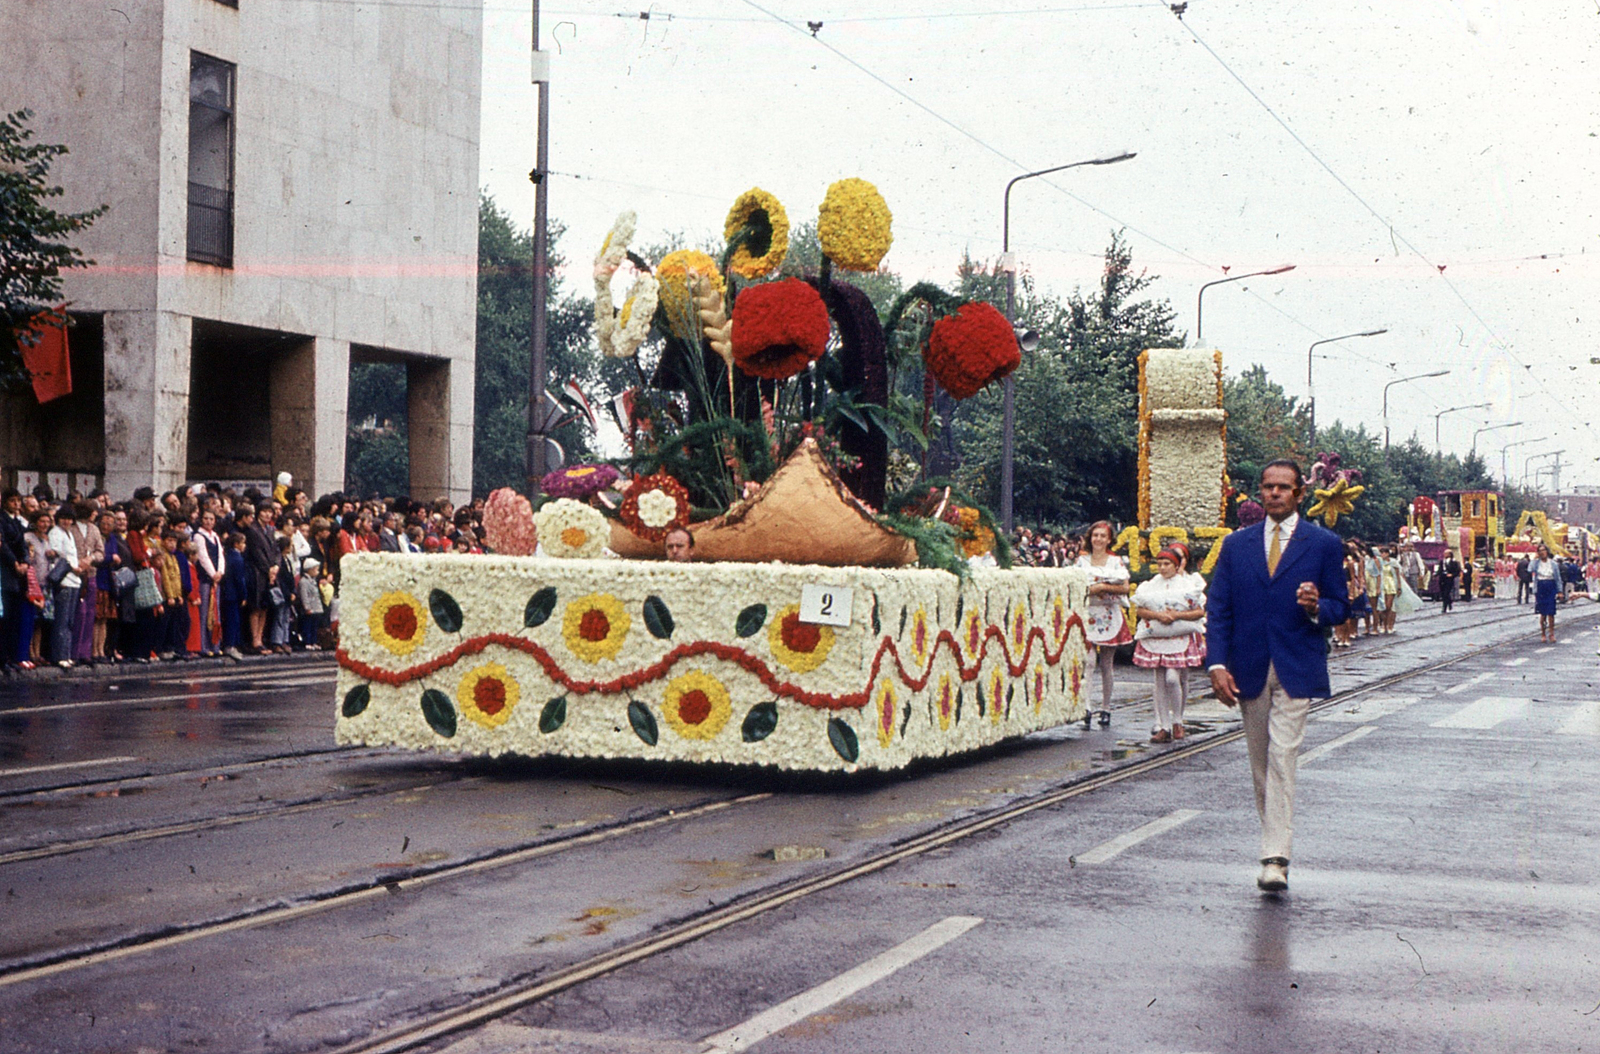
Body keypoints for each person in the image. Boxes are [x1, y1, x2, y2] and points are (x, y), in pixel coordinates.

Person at [1207, 459, 1350, 893]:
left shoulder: (1323, 544)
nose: (1274, 494)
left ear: (1299, 494)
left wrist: (1315, 607)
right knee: (1260, 764)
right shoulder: (1237, 545)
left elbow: (1341, 606)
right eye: (1268, 487)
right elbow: (1219, 608)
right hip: (1247, 667)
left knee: (1282, 758)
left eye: (1283, 488)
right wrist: (1216, 664)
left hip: (1295, 664)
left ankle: (1275, 857)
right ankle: (1274, 843)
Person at [1131, 543, 1207, 743]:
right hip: (1157, 637)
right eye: (1160, 563)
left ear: (1176, 565)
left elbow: (1199, 611)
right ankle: (1164, 725)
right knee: (1159, 682)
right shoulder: (1151, 584)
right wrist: (1158, 615)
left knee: (1173, 679)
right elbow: (1140, 609)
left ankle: (1178, 721)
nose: (1163, 567)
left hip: (1178, 637)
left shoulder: (1186, 585)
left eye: (1167, 563)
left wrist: (1176, 615)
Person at [1075, 520, 1132, 730]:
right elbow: (1075, 584)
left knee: (1107, 664)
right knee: (1089, 662)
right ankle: (1086, 707)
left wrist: (1103, 586)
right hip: (1088, 612)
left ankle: (1106, 708)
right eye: (1095, 535)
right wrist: (1091, 589)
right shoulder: (1082, 561)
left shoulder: (1115, 562)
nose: (1098, 539)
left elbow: (1125, 587)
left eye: (1102, 536)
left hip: (1108, 612)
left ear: (1109, 539)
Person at [45, 505, 83, 668]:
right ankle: (59, 655)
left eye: (69, 519)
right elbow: (57, 554)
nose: (66, 521)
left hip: (75, 579)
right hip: (64, 579)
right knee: (61, 619)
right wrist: (73, 567)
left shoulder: (69, 534)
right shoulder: (55, 532)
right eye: (64, 518)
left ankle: (66, 654)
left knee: (69, 621)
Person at [1532, 544, 1560, 642]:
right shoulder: (1536, 563)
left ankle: (1551, 634)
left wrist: (1559, 591)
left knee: (1551, 613)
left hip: (1550, 585)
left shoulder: (1553, 564)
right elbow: (1529, 569)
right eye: (1540, 551)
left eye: (1543, 550)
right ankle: (1543, 633)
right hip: (1541, 586)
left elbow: (1557, 578)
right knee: (1542, 613)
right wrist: (1534, 559)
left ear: (1547, 551)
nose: (1542, 552)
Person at [1378, 546, 1400, 635]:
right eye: (1381, 553)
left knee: (1389, 605)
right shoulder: (1379, 562)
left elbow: (1398, 575)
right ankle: (1384, 624)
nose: (1382, 554)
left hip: (1391, 583)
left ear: (1388, 553)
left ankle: (1390, 625)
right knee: (1382, 606)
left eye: (1384, 553)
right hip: (1382, 584)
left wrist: (1399, 586)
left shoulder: (1393, 562)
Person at [1438, 550, 1461, 614]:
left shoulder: (1454, 562)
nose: (1445, 555)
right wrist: (1436, 574)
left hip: (1449, 579)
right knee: (1443, 593)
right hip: (1442, 578)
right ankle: (1449, 601)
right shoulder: (1442, 561)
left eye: (1446, 554)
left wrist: (1452, 575)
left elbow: (1457, 571)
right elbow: (1440, 569)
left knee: (1446, 593)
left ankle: (1444, 608)